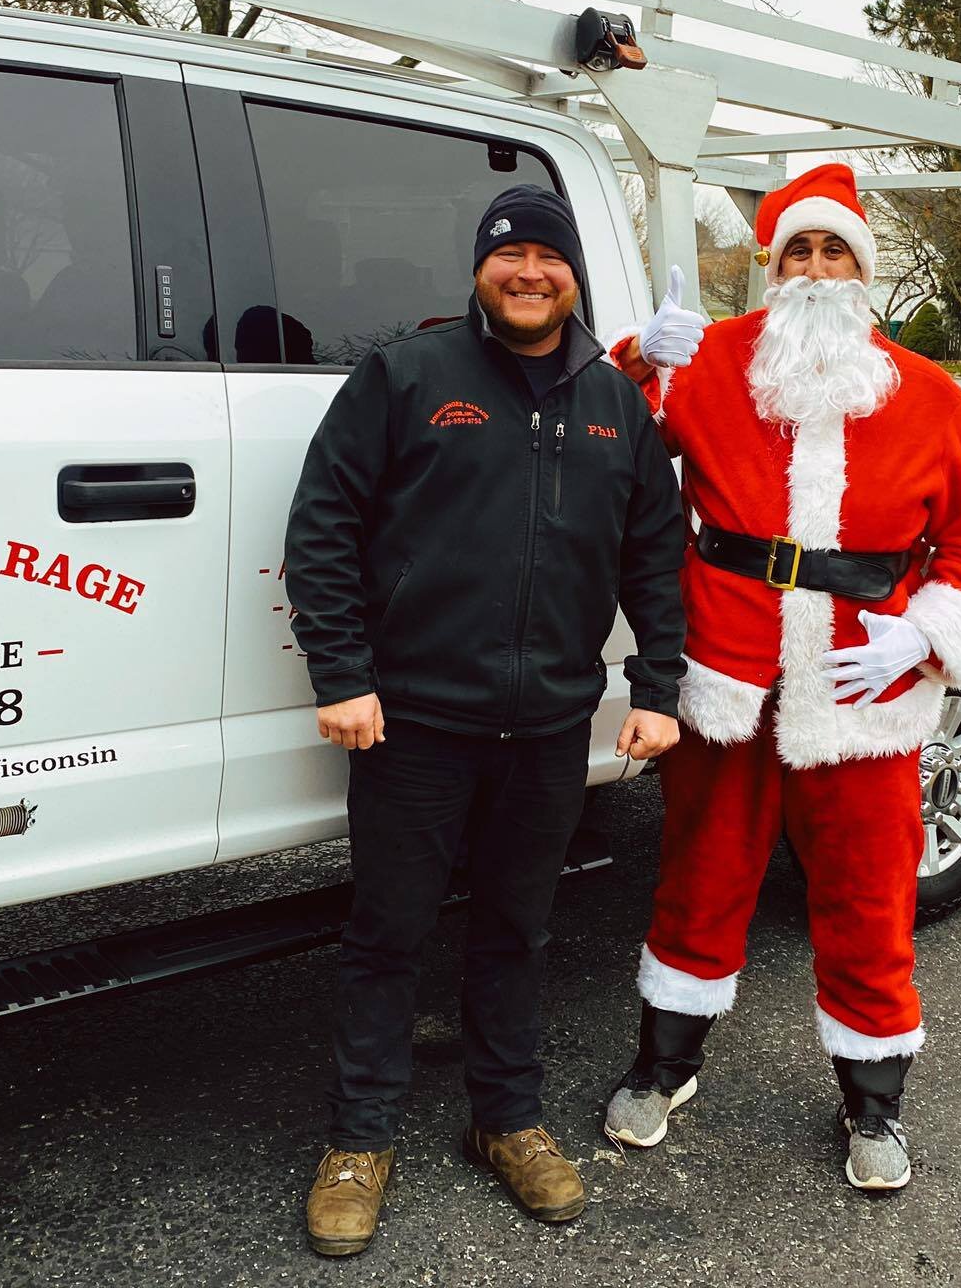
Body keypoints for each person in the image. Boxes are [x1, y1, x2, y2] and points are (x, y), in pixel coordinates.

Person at [284, 184, 687, 1257]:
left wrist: (656, 689)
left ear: (571, 277)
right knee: (387, 934)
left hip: (548, 726)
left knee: (517, 930)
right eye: (509, 258)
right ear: (480, 270)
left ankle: (504, 1119)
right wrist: (341, 673)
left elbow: (655, 552)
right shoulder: (408, 375)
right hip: (413, 721)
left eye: (547, 259)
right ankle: (359, 1140)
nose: (528, 274)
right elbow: (324, 519)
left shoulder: (613, 403)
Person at [599, 163, 961, 1191]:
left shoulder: (925, 393)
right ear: (769, 268)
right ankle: (664, 1065)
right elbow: (604, 439)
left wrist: (922, 637)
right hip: (726, 674)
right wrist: (631, 363)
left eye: (835, 251)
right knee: (698, 873)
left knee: (868, 897)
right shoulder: (711, 364)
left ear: (861, 271)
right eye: (798, 250)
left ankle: (873, 1104)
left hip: (863, 691)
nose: (816, 268)